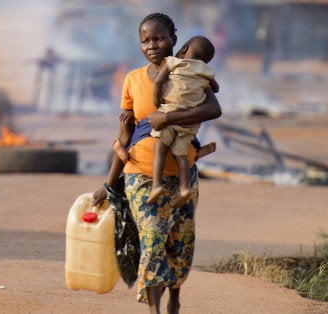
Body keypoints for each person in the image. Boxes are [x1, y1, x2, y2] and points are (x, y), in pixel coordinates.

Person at [92, 12, 221, 314]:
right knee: (152, 239)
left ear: (174, 40)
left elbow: (214, 108)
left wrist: (169, 117)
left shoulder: (189, 73)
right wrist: (108, 185)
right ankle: (154, 309)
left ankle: (175, 294)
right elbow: (125, 135)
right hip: (139, 174)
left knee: (179, 245)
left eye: (159, 38)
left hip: (182, 175)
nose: (152, 45)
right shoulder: (132, 79)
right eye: (145, 40)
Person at [147, 36, 219, 206]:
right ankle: (184, 188)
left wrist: (157, 102)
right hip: (189, 122)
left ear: (184, 48)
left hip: (170, 110)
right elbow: (216, 88)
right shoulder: (205, 71)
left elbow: (158, 82)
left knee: (160, 150)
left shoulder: (173, 62)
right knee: (181, 155)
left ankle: (156, 185)